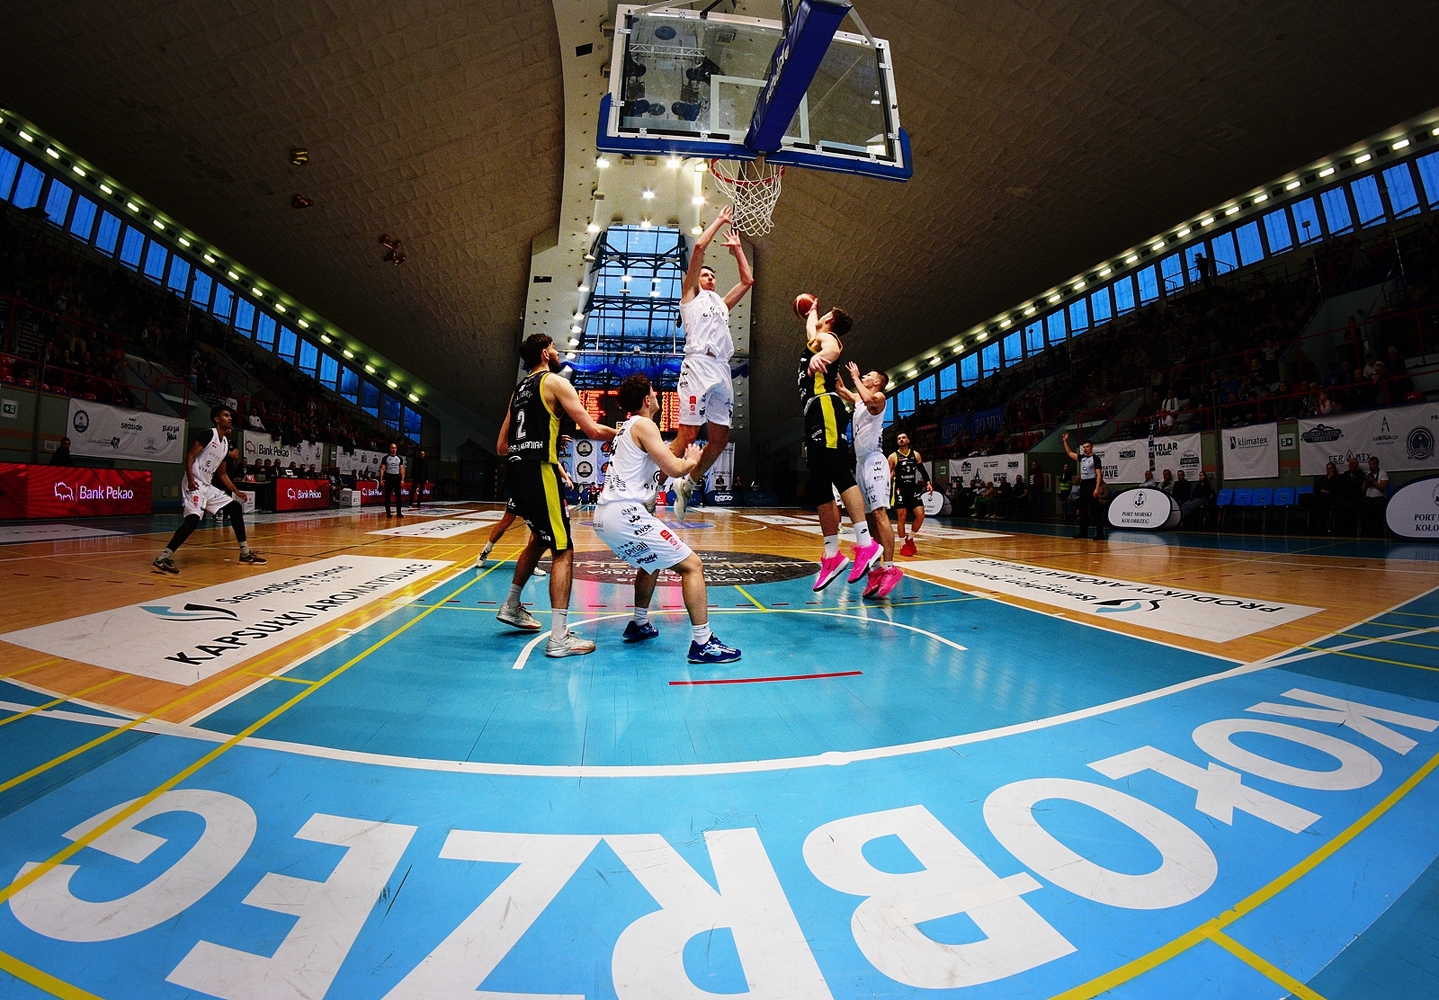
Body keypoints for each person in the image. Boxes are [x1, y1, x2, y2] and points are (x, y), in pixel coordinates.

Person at [593, 374, 740, 663]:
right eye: (653, 392)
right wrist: (692, 461)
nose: (657, 396)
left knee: (651, 562)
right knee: (693, 566)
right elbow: (673, 468)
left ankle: (639, 623)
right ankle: (702, 643)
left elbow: (658, 471)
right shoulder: (644, 424)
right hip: (624, 512)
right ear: (646, 400)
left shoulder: (627, 429)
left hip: (607, 515)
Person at [495, 334, 616, 657]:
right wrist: (627, 434)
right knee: (563, 549)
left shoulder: (518, 390)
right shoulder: (556, 383)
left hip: (516, 471)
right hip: (540, 471)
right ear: (545, 353)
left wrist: (534, 441)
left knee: (538, 539)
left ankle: (511, 604)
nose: (558, 352)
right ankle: (559, 637)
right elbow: (592, 430)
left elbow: (501, 446)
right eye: (554, 348)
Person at [670, 205, 753, 519]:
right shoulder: (691, 297)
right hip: (698, 365)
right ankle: (649, 489)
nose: (710, 277)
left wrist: (738, 249)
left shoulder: (720, 303)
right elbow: (699, 249)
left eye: (712, 275)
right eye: (705, 274)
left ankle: (688, 483)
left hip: (721, 368)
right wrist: (719, 221)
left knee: (720, 439)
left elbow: (747, 280)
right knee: (688, 435)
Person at [799, 300, 878, 590]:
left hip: (826, 407)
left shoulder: (829, 339)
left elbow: (832, 348)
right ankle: (832, 554)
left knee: (838, 471)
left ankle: (866, 543)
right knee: (820, 483)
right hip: (813, 411)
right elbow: (812, 329)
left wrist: (821, 358)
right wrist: (811, 312)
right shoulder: (816, 336)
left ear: (830, 319)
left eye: (823, 315)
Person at [152, 405, 265, 574]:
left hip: (207, 485)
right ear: (217, 419)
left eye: (230, 416)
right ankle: (162, 559)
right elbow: (190, 456)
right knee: (192, 520)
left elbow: (222, 474)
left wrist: (236, 491)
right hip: (194, 482)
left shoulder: (225, 444)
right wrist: (190, 479)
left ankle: (245, 554)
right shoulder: (209, 434)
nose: (230, 418)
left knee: (235, 508)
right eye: (226, 415)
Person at [836, 361, 903, 598]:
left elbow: (867, 398)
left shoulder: (879, 397)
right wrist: (830, 363)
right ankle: (875, 571)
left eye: (867, 375)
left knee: (879, 514)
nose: (863, 375)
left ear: (876, 382)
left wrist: (855, 378)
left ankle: (890, 568)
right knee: (868, 518)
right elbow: (840, 389)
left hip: (875, 460)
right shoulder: (858, 399)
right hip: (860, 462)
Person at [476, 462, 574, 579]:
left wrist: (566, 478)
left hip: (537, 493)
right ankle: (486, 551)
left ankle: (532, 564)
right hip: (520, 491)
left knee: (536, 528)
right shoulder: (525, 455)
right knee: (505, 522)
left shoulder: (546, 455)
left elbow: (555, 462)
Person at [889, 431, 933, 556]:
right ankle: (903, 545)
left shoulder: (915, 455)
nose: (901, 440)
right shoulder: (893, 457)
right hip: (899, 490)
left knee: (920, 515)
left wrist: (928, 482)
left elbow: (922, 470)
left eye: (903, 438)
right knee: (902, 517)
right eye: (899, 438)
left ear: (908, 440)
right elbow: (889, 473)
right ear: (897, 442)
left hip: (913, 489)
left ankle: (910, 538)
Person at [1062, 431, 1106, 540]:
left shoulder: (1095, 458)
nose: (1085, 449)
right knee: (1083, 509)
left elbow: (1099, 474)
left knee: (1095, 510)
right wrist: (1065, 441)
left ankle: (1100, 533)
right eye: (1084, 447)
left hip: (1092, 483)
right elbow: (1069, 453)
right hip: (1084, 484)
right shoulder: (1082, 458)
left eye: (1087, 447)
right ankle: (1083, 532)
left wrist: (1097, 489)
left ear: (1092, 447)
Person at [1359, 456, 1390, 536]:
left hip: (1380, 497)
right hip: (1368, 498)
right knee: (1361, 506)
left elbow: (1383, 487)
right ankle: (1365, 530)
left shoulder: (1382, 473)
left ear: (1377, 465)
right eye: (1370, 464)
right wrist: (1366, 483)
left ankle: (1377, 530)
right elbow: (1363, 491)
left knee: (1376, 508)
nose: (1371, 466)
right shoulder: (1367, 475)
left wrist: (1373, 482)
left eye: (1373, 464)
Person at [1311, 461, 1341, 533]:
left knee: (1322, 504)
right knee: (1314, 502)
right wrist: (1322, 490)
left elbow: (1332, 490)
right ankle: (1314, 525)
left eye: (1330, 468)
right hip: (1321, 497)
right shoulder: (1323, 478)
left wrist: (1329, 480)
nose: (1328, 470)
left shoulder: (1337, 479)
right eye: (1327, 468)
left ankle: (1323, 525)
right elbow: (1316, 488)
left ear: (1334, 469)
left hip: (1331, 498)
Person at [381, 443, 404, 516]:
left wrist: (402, 479)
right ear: (390, 448)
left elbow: (401, 469)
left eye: (395, 448)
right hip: (389, 477)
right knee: (387, 495)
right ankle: (388, 512)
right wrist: (381, 479)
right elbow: (382, 469)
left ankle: (399, 512)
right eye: (392, 448)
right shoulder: (385, 458)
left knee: (398, 496)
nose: (394, 449)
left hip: (396, 477)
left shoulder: (399, 458)